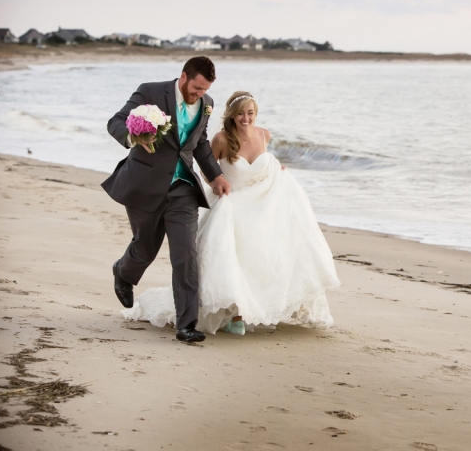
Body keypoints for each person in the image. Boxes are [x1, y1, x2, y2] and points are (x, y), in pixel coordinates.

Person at [122, 91, 340, 334]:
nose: (246, 118)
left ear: (255, 114)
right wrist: (217, 182)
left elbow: (264, 163)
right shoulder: (221, 139)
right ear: (232, 116)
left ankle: (256, 307)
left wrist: (277, 167)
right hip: (232, 202)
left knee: (272, 253)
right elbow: (207, 169)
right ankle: (234, 314)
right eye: (240, 114)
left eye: (250, 113)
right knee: (231, 252)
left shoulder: (264, 134)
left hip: (263, 205)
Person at [102, 57, 231, 343]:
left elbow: (198, 143)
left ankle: (186, 325)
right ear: (183, 76)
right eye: (196, 88)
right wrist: (133, 137)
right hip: (144, 184)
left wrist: (216, 176)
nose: (199, 95)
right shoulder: (150, 92)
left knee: (186, 255)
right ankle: (123, 271)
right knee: (144, 249)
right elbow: (116, 121)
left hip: (182, 188)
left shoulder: (206, 102)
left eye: (204, 90)